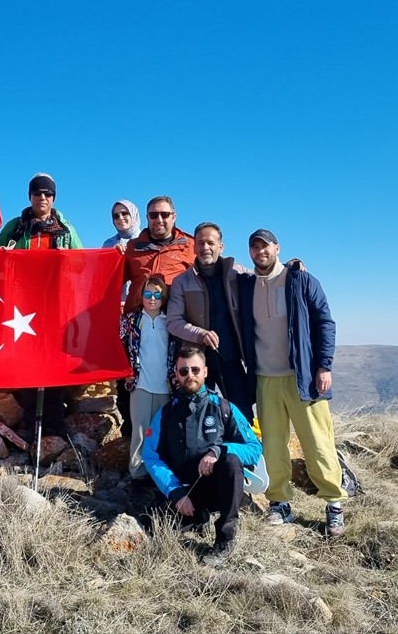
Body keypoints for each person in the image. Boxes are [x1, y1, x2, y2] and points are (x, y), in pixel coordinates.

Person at [238, 229, 345, 536]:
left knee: (318, 442)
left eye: (265, 246)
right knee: (272, 445)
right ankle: (279, 503)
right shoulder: (245, 285)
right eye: (254, 247)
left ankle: (334, 504)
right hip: (264, 377)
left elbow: (325, 321)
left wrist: (324, 366)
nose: (260, 252)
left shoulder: (301, 280)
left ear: (277, 248)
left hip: (303, 377)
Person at [143, 345, 262, 567]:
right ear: (176, 375)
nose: (190, 376)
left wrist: (219, 450)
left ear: (205, 372)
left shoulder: (224, 408)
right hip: (183, 490)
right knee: (151, 524)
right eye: (184, 371)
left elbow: (254, 449)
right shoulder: (166, 414)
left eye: (195, 370)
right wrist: (176, 493)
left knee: (230, 460)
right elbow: (151, 457)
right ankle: (198, 518)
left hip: (218, 487)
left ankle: (225, 537)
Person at [0, 173, 83, 436]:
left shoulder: (65, 230)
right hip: (21, 305)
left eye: (47, 194)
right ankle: (30, 418)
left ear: (53, 198)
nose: (42, 198)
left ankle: (54, 419)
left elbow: (81, 263)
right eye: (37, 193)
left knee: (53, 360)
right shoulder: (15, 226)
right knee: (26, 360)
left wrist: (65, 260)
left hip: (55, 305)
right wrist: (3, 257)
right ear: (30, 196)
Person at [118, 195, 196, 438]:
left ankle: (174, 446)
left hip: (176, 328)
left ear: (174, 217)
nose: (159, 219)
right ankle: (132, 447)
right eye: (153, 215)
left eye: (164, 214)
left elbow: (215, 266)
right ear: (147, 217)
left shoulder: (190, 246)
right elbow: (109, 280)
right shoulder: (132, 248)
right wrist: (112, 257)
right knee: (131, 385)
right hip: (138, 330)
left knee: (175, 385)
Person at [166, 222, 253, 416]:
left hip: (232, 357)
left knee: (241, 413)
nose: (205, 247)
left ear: (220, 246)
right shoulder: (182, 282)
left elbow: (267, 276)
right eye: (200, 243)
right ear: (194, 247)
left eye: (210, 243)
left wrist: (291, 267)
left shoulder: (237, 273)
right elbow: (173, 321)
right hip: (197, 361)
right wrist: (200, 334)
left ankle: (244, 446)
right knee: (197, 414)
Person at [119, 275, 175, 481]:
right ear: (141, 296)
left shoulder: (170, 321)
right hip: (140, 385)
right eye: (148, 294)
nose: (152, 299)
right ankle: (137, 473)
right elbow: (115, 344)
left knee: (160, 431)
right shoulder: (132, 320)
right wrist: (126, 372)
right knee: (140, 432)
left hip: (165, 386)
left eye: (157, 295)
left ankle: (159, 474)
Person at [103, 199, 141, 305]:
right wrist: (111, 256)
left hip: (141, 303)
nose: (120, 218)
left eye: (125, 213)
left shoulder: (145, 239)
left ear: (133, 214)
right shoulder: (108, 244)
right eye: (116, 216)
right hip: (115, 304)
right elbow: (101, 275)